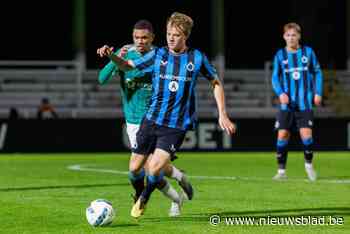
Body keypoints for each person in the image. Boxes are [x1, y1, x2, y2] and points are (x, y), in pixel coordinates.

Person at [100, 12, 236, 218]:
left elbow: (215, 82)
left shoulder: (197, 58)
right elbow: (127, 66)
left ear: (186, 36)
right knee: (134, 169)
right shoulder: (158, 55)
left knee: (154, 170)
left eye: (176, 34)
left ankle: (144, 197)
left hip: (176, 125)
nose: (171, 38)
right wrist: (112, 56)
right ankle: (148, 190)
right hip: (151, 119)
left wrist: (222, 114)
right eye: (168, 34)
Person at [97, 20, 193, 217]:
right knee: (138, 171)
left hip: (155, 120)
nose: (140, 41)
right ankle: (179, 181)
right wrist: (112, 58)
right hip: (133, 122)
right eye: (136, 37)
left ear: (152, 38)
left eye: (144, 38)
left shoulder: (160, 56)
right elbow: (102, 78)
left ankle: (168, 200)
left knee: (152, 168)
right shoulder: (125, 56)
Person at [271, 22, 323, 181]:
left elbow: (318, 72)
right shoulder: (280, 55)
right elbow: (274, 77)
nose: (291, 38)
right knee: (282, 136)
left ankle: (308, 166)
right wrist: (280, 93)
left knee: (306, 137)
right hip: (286, 105)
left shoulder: (308, 52)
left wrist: (318, 92)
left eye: (294, 35)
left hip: (305, 103)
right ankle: (281, 172)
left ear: (299, 36)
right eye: (288, 35)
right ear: (284, 37)